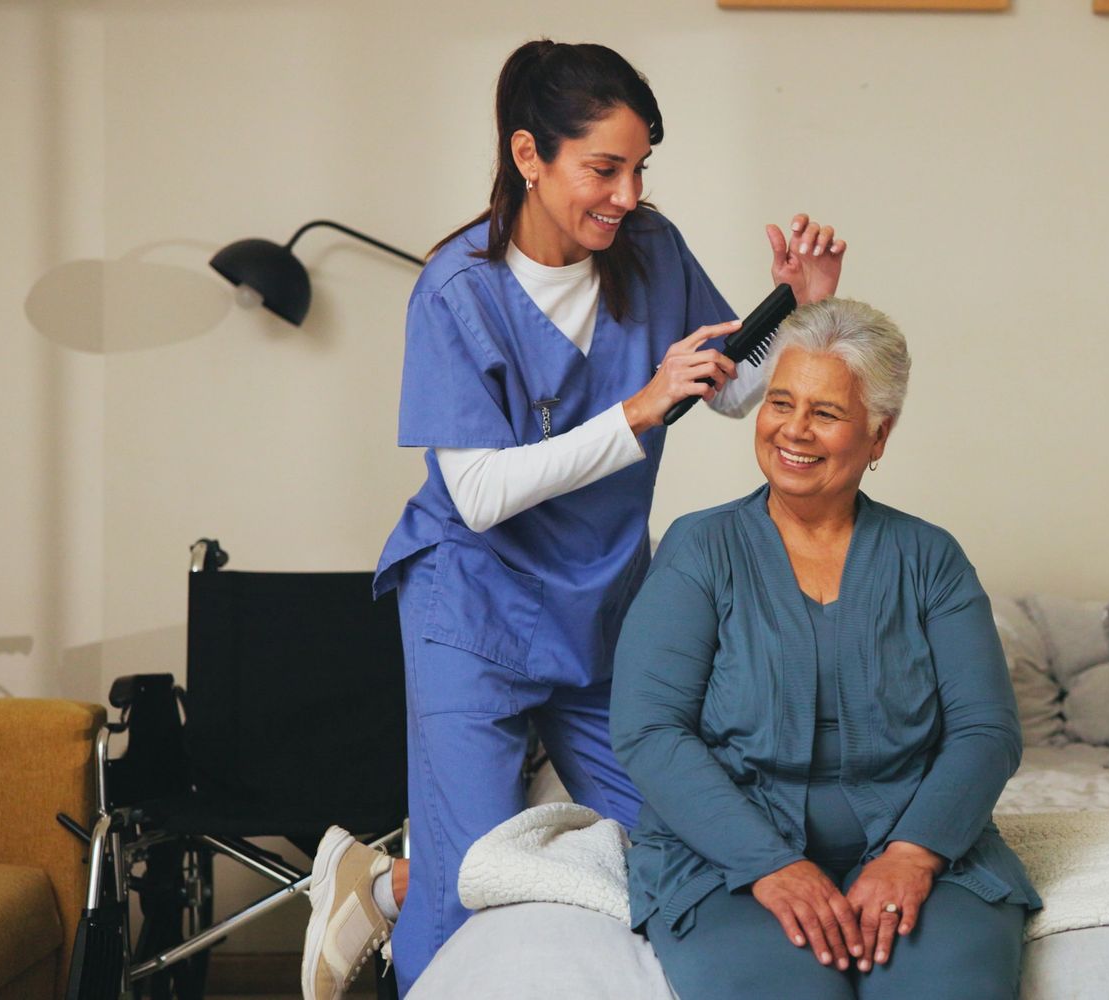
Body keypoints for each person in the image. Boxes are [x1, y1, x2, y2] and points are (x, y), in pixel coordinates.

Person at [299, 39, 848, 1000]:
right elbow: (476, 492)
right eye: (604, 167)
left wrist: (798, 308)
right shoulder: (457, 290)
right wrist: (638, 408)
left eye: (641, 168)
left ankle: (389, 876)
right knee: (473, 884)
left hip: (598, 608)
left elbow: (724, 392)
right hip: (471, 609)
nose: (628, 192)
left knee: (674, 837)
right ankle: (404, 894)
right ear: (528, 157)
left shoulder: (649, 249)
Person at [611, 298, 1039, 1000]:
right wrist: (768, 863)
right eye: (781, 402)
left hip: (917, 845)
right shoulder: (701, 548)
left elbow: (986, 730)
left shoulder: (930, 558)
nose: (794, 430)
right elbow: (648, 729)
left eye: (827, 413)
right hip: (727, 858)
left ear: (878, 436)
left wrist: (913, 853)